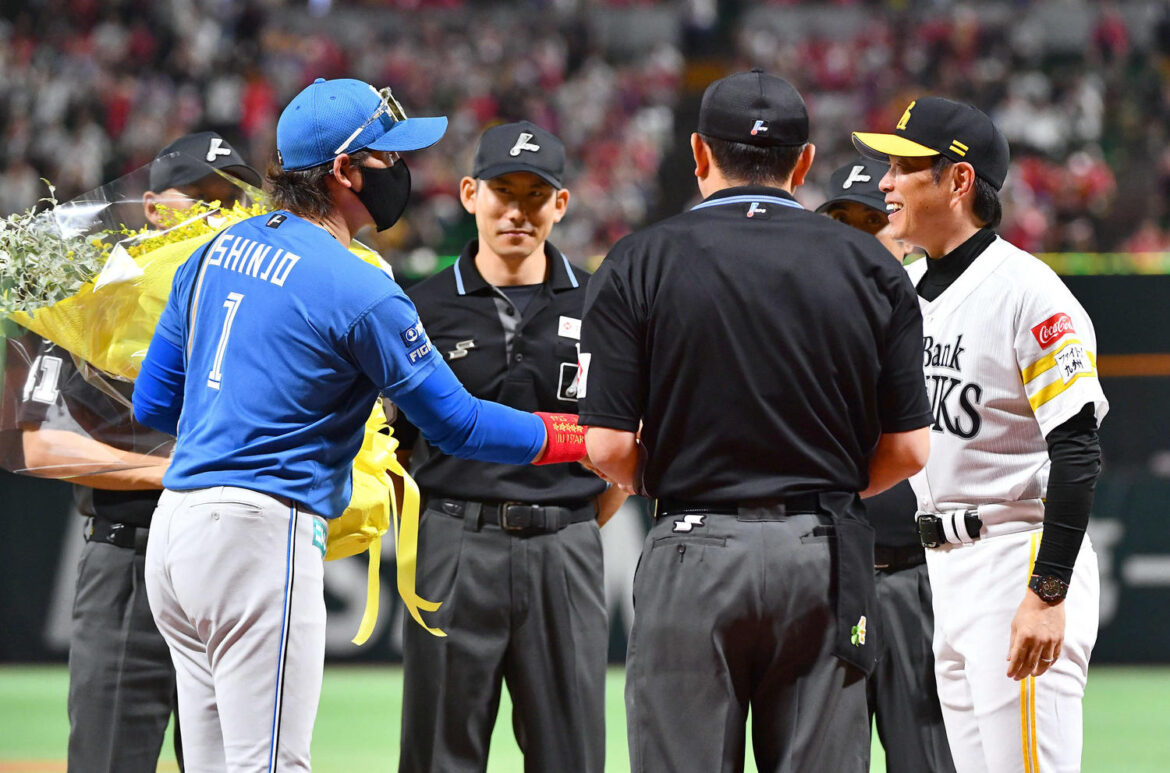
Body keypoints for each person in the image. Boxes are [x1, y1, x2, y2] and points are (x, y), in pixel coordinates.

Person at [132, 78, 585, 771]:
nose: (402, 172)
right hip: (262, 532)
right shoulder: (359, 283)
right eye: (387, 156)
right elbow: (458, 425)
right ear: (345, 171)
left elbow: (154, 404)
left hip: (175, 530)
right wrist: (575, 437)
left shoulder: (211, 251)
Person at [578, 69, 933, 773]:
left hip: (692, 545)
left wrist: (688, 475)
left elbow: (609, 446)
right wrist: (822, 487)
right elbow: (911, 449)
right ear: (803, 163)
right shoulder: (872, 264)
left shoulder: (636, 261)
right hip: (825, 551)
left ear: (700, 154)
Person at [852, 96, 1108, 773]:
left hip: (1014, 558)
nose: (885, 182)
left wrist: (1047, 591)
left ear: (957, 180)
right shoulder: (906, 293)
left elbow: (1078, 450)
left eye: (904, 166)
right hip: (947, 567)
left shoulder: (1030, 292)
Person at [13, 131, 260, 773]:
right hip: (131, 552)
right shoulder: (90, 305)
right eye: (200, 196)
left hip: (237, 562)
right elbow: (38, 447)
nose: (216, 214)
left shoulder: (257, 311)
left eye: (231, 201)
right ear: (152, 207)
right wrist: (168, 471)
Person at [395, 120, 625, 773]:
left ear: (561, 203)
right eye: (503, 191)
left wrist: (571, 520)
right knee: (440, 753)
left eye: (535, 193)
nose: (517, 210)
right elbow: (397, 451)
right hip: (452, 542)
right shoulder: (421, 306)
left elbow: (618, 444)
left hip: (566, 544)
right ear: (470, 193)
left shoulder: (604, 301)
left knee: (572, 754)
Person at [818, 156, 956, 773]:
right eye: (840, 221)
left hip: (913, 575)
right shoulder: (795, 323)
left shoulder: (944, 316)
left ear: (897, 231)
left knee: (925, 758)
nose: (854, 237)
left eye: (870, 222)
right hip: (823, 576)